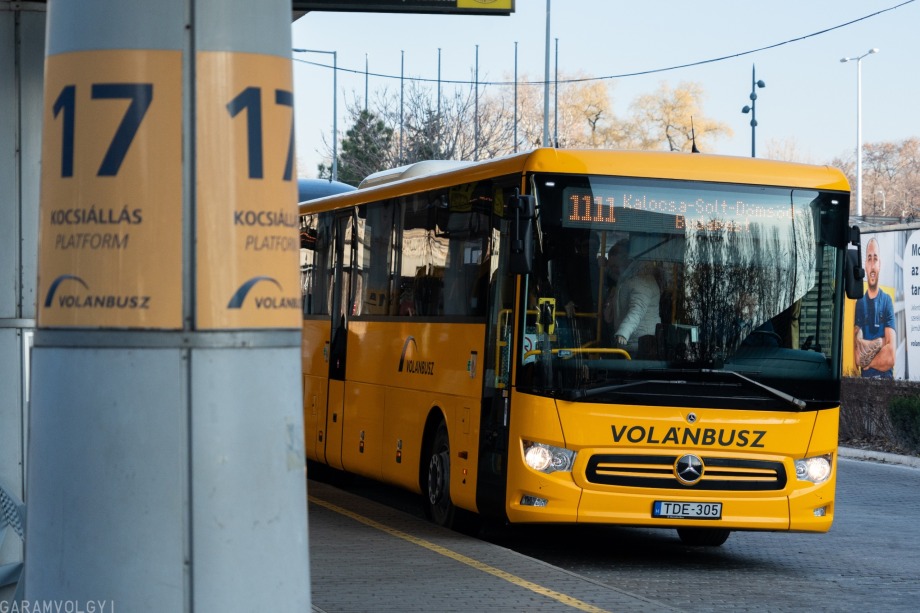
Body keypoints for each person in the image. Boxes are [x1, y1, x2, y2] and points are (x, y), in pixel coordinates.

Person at [603, 240, 660, 353]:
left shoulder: (641, 281)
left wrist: (623, 332)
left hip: (639, 343)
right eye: (611, 266)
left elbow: (637, 310)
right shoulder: (629, 277)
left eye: (615, 266)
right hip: (633, 339)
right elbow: (614, 275)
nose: (613, 269)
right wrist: (602, 266)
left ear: (626, 261)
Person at [854, 237, 895, 378]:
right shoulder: (860, 303)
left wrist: (869, 363)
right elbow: (858, 358)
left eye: (875, 259)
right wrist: (881, 342)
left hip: (886, 383)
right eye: (869, 259)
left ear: (880, 264)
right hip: (865, 386)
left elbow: (890, 357)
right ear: (865, 264)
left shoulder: (887, 301)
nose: (872, 265)